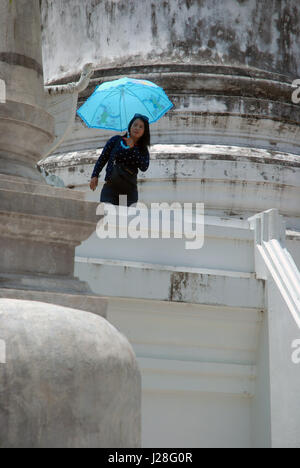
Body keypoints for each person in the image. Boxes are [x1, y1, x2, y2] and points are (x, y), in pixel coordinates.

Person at [90, 113, 150, 206]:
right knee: (107, 217)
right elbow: (103, 158)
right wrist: (95, 175)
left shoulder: (142, 149)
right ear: (130, 126)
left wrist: (133, 148)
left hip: (129, 192)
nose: (137, 128)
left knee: (124, 220)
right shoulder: (116, 140)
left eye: (141, 127)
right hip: (111, 188)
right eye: (135, 125)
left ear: (144, 132)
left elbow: (144, 167)